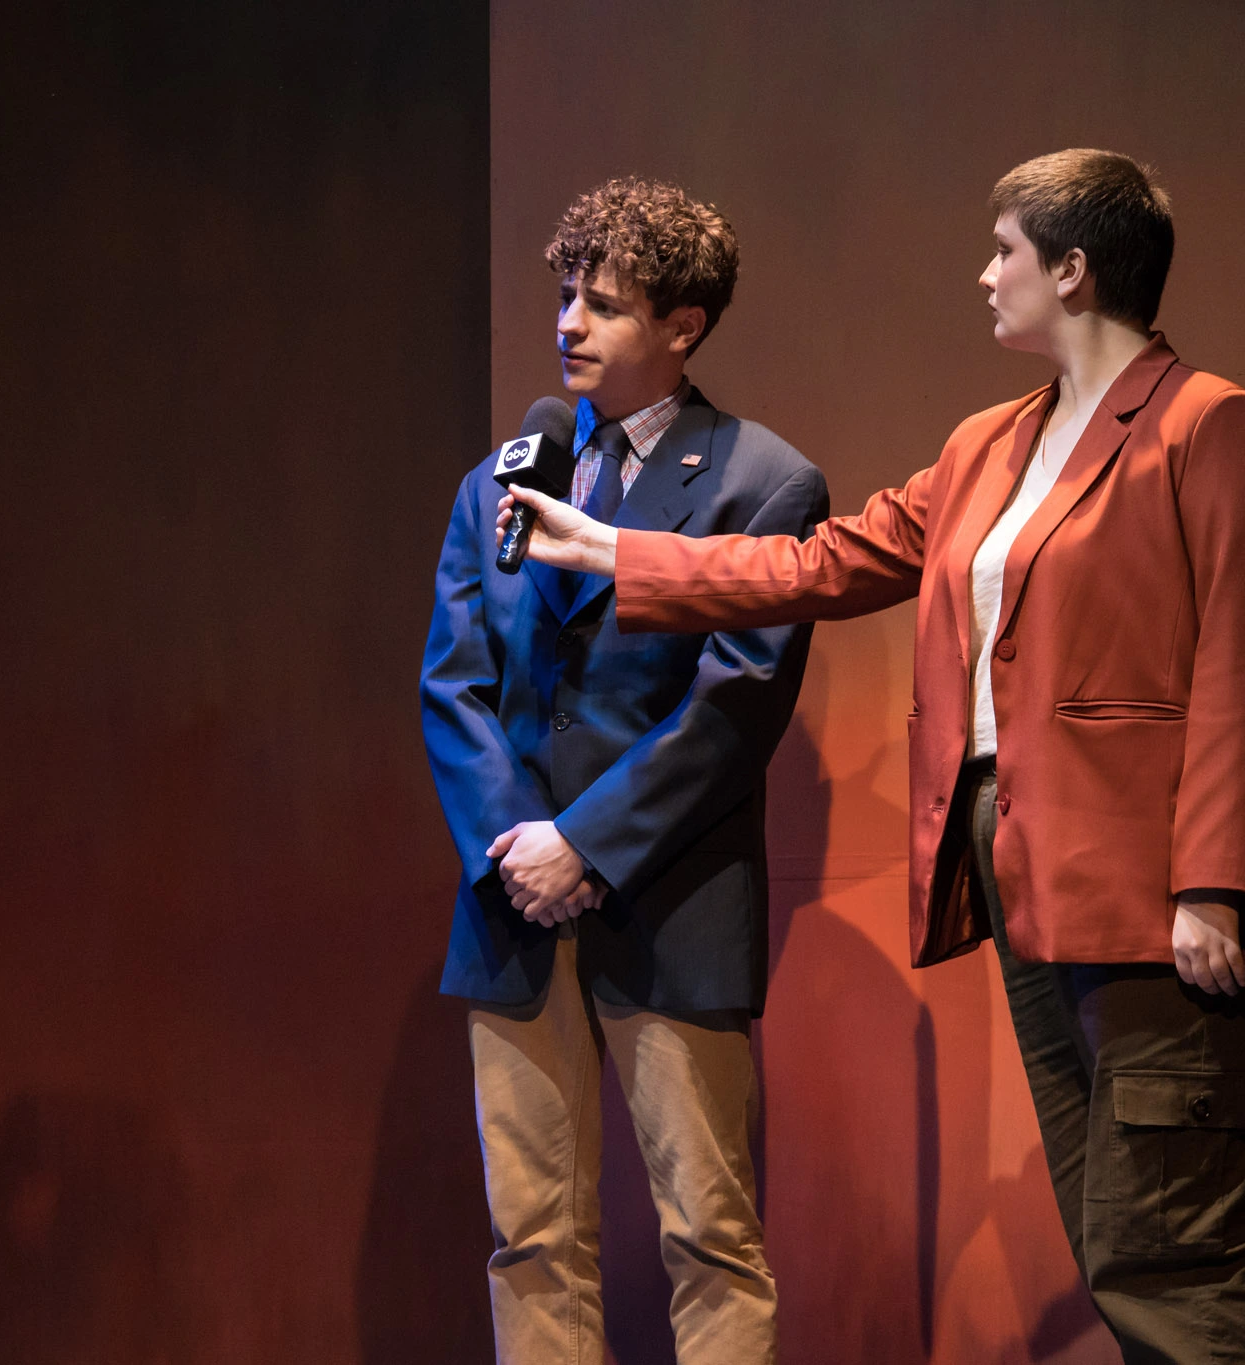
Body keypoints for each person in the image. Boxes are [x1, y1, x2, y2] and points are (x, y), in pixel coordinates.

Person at [502, 149, 1245, 1362]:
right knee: (1117, 1231)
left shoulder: (1213, 427)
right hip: (1031, 872)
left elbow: (1238, 674)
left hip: (1151, 888)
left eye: (1005, 252)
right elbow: (821, 562)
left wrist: (1209, 885)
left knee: (1180, 1239)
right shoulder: (993, 442)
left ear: (1075, 271)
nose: (984, 275)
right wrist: (616, 555)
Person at [422, 176, 827, 1364]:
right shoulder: (499, 480)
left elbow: (733, 702)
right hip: (511, 903)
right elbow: (455, 687)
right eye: (563, 295)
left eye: (601, 304)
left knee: (707, 1236)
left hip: (667, 904)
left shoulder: (764, 481)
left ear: (680, 327)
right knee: (530, 1237)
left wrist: (584, 848)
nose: (567, 325)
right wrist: (519, 849)